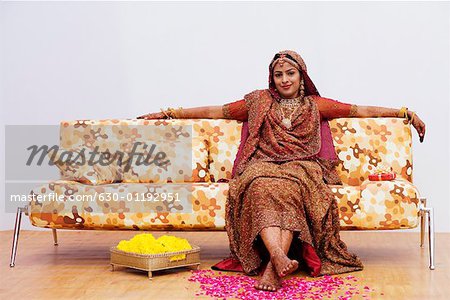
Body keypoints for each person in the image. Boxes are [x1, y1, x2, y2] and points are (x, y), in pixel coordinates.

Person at [137, 50, 426, 292]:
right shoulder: (257, 102)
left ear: (302, 75)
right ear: (272, 78)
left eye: (290, 73)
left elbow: (358, 110)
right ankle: (278, 259)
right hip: (261, 166)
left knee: (288, 188)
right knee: (261, 186)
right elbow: (216, 111)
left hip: (302, 166)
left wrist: (404, 113)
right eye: (279, 74)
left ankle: (272, 268)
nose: (285, 79)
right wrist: (170, 113)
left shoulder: (315, 104)